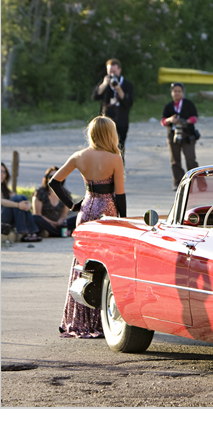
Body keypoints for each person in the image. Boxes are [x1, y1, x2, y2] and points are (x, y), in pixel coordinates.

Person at [49, 116, 127, 338]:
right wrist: (123, 220)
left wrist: (73, 205)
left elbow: (54, 182)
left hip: (85, 212)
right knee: (105, 265)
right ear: (110, 134)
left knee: (82, 264)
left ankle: (76, 321)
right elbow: (120, 195)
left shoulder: (79, 156)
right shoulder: (115, 158)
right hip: (106, 214)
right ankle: (101, 321)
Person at [161, 82, 202, 190]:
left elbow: (195, 118)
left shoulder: (188, 104)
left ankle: (199, 182)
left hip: (187, 135)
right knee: (175, 161)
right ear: (171, 93)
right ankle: (178, 183)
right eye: (175, 91)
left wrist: (185, 121)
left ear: (183, 92)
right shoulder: (168, 106)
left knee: (191, 160)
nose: (177, 93)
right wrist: (170, 120)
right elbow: (163, 121)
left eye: (179, 91)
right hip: (173, 135)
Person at [91, 58, 134, 161]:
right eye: (110, 71)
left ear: (119, 70)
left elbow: (129, 103)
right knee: (104, 147)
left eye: (114, 72)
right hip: (105, 121)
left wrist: (119, 89)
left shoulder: (127, 85)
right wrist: (104, 84)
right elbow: (94, 96)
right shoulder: (104, 83)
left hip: (121, 121)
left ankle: (119, 169)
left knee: (119, 148)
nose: (112, 74)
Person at [0, 162, 42, 243]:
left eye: (4, 172)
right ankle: (27, 232)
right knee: (17, 199)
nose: (2, 174)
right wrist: (18, 205)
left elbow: (17, 198)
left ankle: (29, 233)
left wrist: (27, 204)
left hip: (8, 219)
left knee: (22, 197)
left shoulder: (4, 188)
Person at [32, 166, 78, 237]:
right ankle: (63, 233)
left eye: (57, 177)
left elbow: (64, 215)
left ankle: (52, 233)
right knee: (35, 218)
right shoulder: (39, 193)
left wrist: (60, 221)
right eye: (51, 177)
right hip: (45, 223)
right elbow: (38, 214)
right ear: (46, 179)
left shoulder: (65, 194)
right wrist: (53, 223)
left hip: (59, 224)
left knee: (78, 218)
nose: (53, 179)